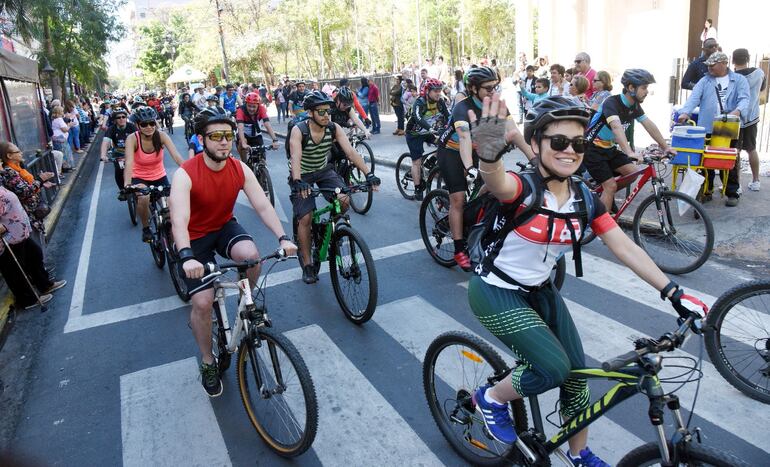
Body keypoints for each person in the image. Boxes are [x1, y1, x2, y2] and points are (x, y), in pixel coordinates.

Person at [465, 93, 706, 467]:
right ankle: (491, 398)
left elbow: (624, 247)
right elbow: (497, 181)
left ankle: (578, 454)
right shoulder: (523, 189)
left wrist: (674, 292)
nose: (570, 151)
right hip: (495, 291)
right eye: (558, 142)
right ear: (536, 144)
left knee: (576, 376)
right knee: (553, 369)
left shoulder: (584, 198)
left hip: (540, 292)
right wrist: (489, 157)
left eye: (578, 143)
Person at [169, 106, 297, 397]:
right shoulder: (186, 174)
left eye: (227, 135)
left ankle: (246, 305)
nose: (224, 141)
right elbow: (179, 220)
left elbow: (263, 205)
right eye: (216, 136)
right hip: (193, 237)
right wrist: (187, 256)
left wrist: (283, 238)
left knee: (251, 257)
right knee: (202, 303)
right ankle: (207, 360)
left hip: (223, 225)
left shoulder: (240, 168)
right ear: (202, 140)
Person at [436, 66, 533, 271]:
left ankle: (474, 219)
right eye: (488, 88)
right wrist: (470, 167)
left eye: (495, 87)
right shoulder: (462, 108)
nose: (493, 91)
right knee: (458, 199)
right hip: (452, 151)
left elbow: (514, 132)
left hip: (478, 147)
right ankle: (459, 248)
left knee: (495, 186)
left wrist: (536, 160)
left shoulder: (497, 104)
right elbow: (463, 138)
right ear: (473, 88)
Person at [287, 91, 379, 284]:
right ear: (310, 113)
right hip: (302, 175)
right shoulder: (299, 130)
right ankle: (308, 264)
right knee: (305, 217)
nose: (326, 115)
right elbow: (295, 158)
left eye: (327, 111)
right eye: (321, 112)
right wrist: (297, 181)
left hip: (323, 170)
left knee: (344, 200)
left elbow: (352, 153)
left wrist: (368, 174)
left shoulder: (333, 128)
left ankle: (330, 231)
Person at [584, 69, 675, 211]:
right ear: (631, 88)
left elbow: (648, 124)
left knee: (632, 173)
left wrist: (665, 147)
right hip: (591, 149)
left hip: (608, 149)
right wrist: (629, 152)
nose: (646, 91)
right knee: (610, 186)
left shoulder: (634, 106)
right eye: (644, 87)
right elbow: (616, 126)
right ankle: (602, 230)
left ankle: (602, 195)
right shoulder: (611, 102)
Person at [677, 52, 750, 206]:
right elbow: (694, 98)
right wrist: (685, 112)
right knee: (706, 158)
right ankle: (707, 190)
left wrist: (736, 112)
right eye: (708, 65)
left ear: (723, 64)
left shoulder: (739, 80)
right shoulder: (704, 81)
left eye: (712, 65)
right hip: (708, 125)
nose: (709, 67)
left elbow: (745, 99)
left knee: (730, 158)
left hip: (729, 126)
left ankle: (732, 192)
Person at [0, 173, 66, 310]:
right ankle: (28, 300)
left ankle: (45, 285)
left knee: (35, 255)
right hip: (8, 239)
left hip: (19, 233)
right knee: (15, 270)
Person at [123, 107, 186, 242]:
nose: (149, 127)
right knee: (144, 198)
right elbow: (128, 163)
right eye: (144, 124)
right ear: (137, 125)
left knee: (170, 209)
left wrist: (192, 173)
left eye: (152, 123)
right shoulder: (132, 139)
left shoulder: (162, 136)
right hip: (139, 177)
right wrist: (127, 185)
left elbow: (177, 157)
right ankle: (146, 228)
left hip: (159, 177)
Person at [0, 142, 56, 260]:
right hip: (27, 215)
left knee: (37, 247)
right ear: (9, 156)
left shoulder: (18, 170)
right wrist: (40, 180)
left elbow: (27, 187)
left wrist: (40, 184)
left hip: (32, 213)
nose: (21, 153)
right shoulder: (9, 172)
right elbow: (24, 191)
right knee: (35, 251)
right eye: (17, 151)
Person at [405, 78, 449, 201]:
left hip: (429, 132)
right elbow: (418, 117)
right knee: (417, 162)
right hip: (414, 134)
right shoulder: (420, 102)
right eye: (435, 90)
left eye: (440, 90)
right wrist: (431, 128)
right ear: (428, 91)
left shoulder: (440, 102)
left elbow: (449, 115)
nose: (438, 93)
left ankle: (431, 161)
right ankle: (417, 187)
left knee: (444, 144)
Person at [732, 48, 766, 192]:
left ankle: (736, 185)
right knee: (751, 149)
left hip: (735, 117)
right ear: (748, 58)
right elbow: (763, 88)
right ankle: (756, 181)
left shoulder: (732, 77)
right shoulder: (759, 73)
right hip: (752, 116)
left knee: (735, 151)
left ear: (733, 60)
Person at [100, 107, 137, 195]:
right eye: (118, 117)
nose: (121, 119)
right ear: (115, 120)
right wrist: (103, 155)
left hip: (132, 150)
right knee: (119, 171)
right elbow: (105, 142)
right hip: (119, 152)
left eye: (123, 117)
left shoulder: (131, 126)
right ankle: (122, 190)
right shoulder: (111, 129)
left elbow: (140, 139)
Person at [235, 92, 279, 160]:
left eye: (254, 106)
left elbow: (267, 124)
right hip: (244, 135)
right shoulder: (240, 110)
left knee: (261, 157)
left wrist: (274, 139)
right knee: (242, 143)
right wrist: (243, 143)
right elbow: (240, 127)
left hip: (256, 135)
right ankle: (244, 163)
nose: (251, 109)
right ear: (245, 104)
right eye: (249, 106)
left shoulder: (261, 108)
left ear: (258, 105)